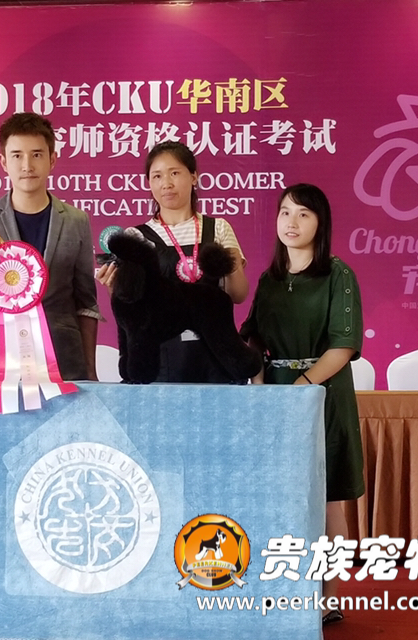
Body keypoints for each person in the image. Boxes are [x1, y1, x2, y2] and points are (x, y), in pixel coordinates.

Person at [239, 183, 365, 624]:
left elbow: (343, 346)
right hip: (276, 401)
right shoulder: (268, 279)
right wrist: (259, 381)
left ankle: (328, 598)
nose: (291, 222)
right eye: (285, 213)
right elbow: (252, 337)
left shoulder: (338, 275)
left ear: (320, 223)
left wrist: (301, 387)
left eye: (303, 214)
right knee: (279, 498)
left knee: (327, 502)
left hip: (323, 398)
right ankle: (285, 588)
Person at [0, 112, 101, 381]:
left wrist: (90, 372)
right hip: (1, 364)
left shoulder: (76, 220)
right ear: (3, 162)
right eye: (17, 155)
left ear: (52, 159)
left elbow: (86, 303)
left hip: (64, 361)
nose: (27, 165)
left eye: (37, 154)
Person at [96, 141, 250, 382]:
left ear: (194, 177)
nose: (166, 183)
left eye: (174, 173)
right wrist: (114, 286)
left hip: (213, 362)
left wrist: (230, 266)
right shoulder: (136, 237)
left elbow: (238, 295)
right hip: (163, 364)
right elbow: (131, 306)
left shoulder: (219, 227)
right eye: (157, 176)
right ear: (149, 183)